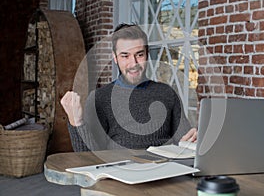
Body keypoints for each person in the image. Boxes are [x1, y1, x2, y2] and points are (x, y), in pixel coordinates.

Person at [61, 23, 197, 152]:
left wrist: (192, 140)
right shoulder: (99, 98)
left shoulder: (167, 93)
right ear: (115, 58)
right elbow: (89, 157)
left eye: (139, 54)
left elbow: (184, 140)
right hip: (119, 174)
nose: (134, 63)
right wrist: (77, 122)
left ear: (147, 55)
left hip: (164, 171)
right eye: (125, 56)